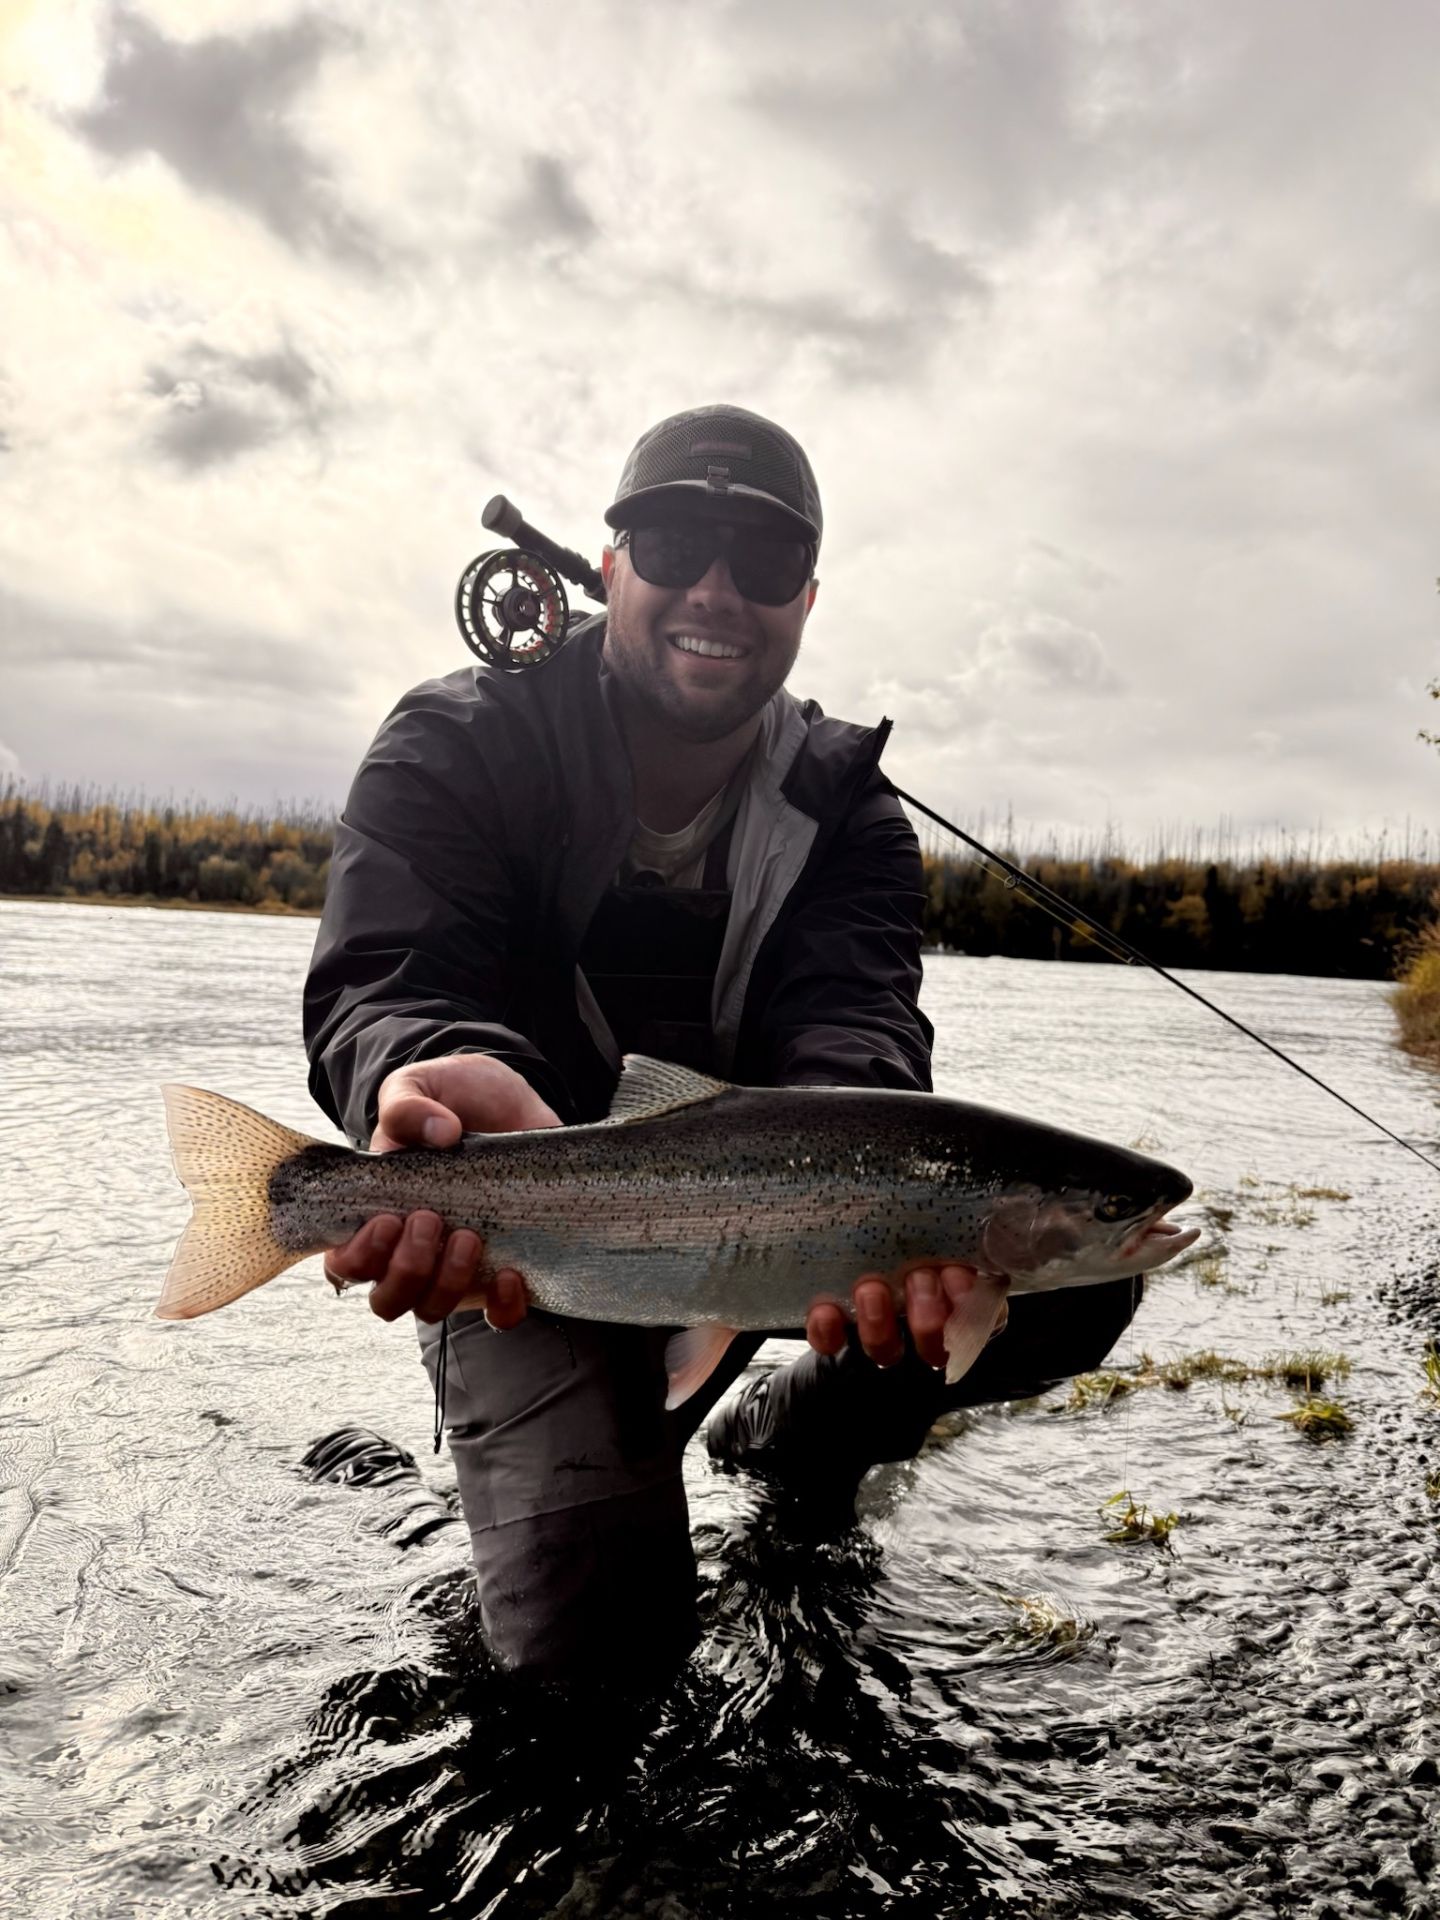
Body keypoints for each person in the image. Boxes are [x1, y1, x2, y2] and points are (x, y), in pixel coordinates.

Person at [304, 403, 1141, 1684]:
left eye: (758, 563)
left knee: (1083, 1281)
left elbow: (859, 1028)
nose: (715, 589)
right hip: (522, 1243)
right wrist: (418, 1072)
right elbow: (387, 975)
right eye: (679, 541)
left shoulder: (845, 813)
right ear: (608, 567)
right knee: (596, 1658)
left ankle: (794, 1433)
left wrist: (874, 1201)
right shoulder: (455, 744)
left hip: (772, 1233)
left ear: (805, 599)